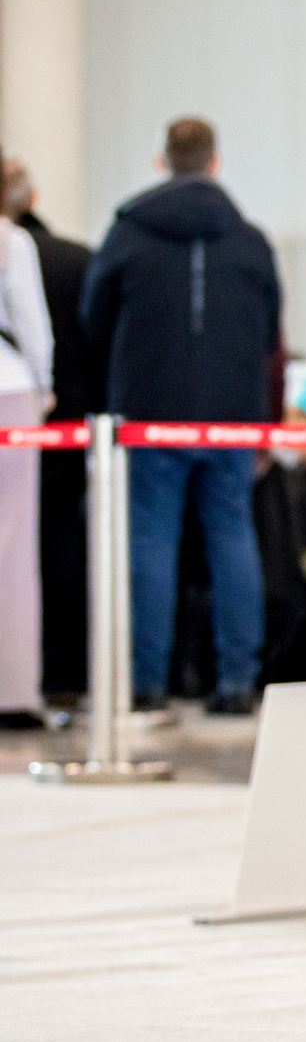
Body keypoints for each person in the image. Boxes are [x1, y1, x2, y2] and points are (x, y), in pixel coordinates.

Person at [81, 117, 284, 719]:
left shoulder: (127, 235)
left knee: (150, 540)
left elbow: (94, 319)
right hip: (232, 415)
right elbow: (270, 330)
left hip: (149, 412)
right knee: (232, 536)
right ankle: (238, 681)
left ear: (162, 161)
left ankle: (146, 683)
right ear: (215, 162)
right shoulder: (250, 240)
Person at [2, 159, 102, 702]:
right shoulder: (41, 250)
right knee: (31, 546)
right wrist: (46, 392)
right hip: (27, 403)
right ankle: (35, 682)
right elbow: (37, 334)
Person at [0, 200, 53, 726]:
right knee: (12, 547)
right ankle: (12, 690)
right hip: (9, 389)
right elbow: (33, 328)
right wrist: (44, 385)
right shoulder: (10, 241)